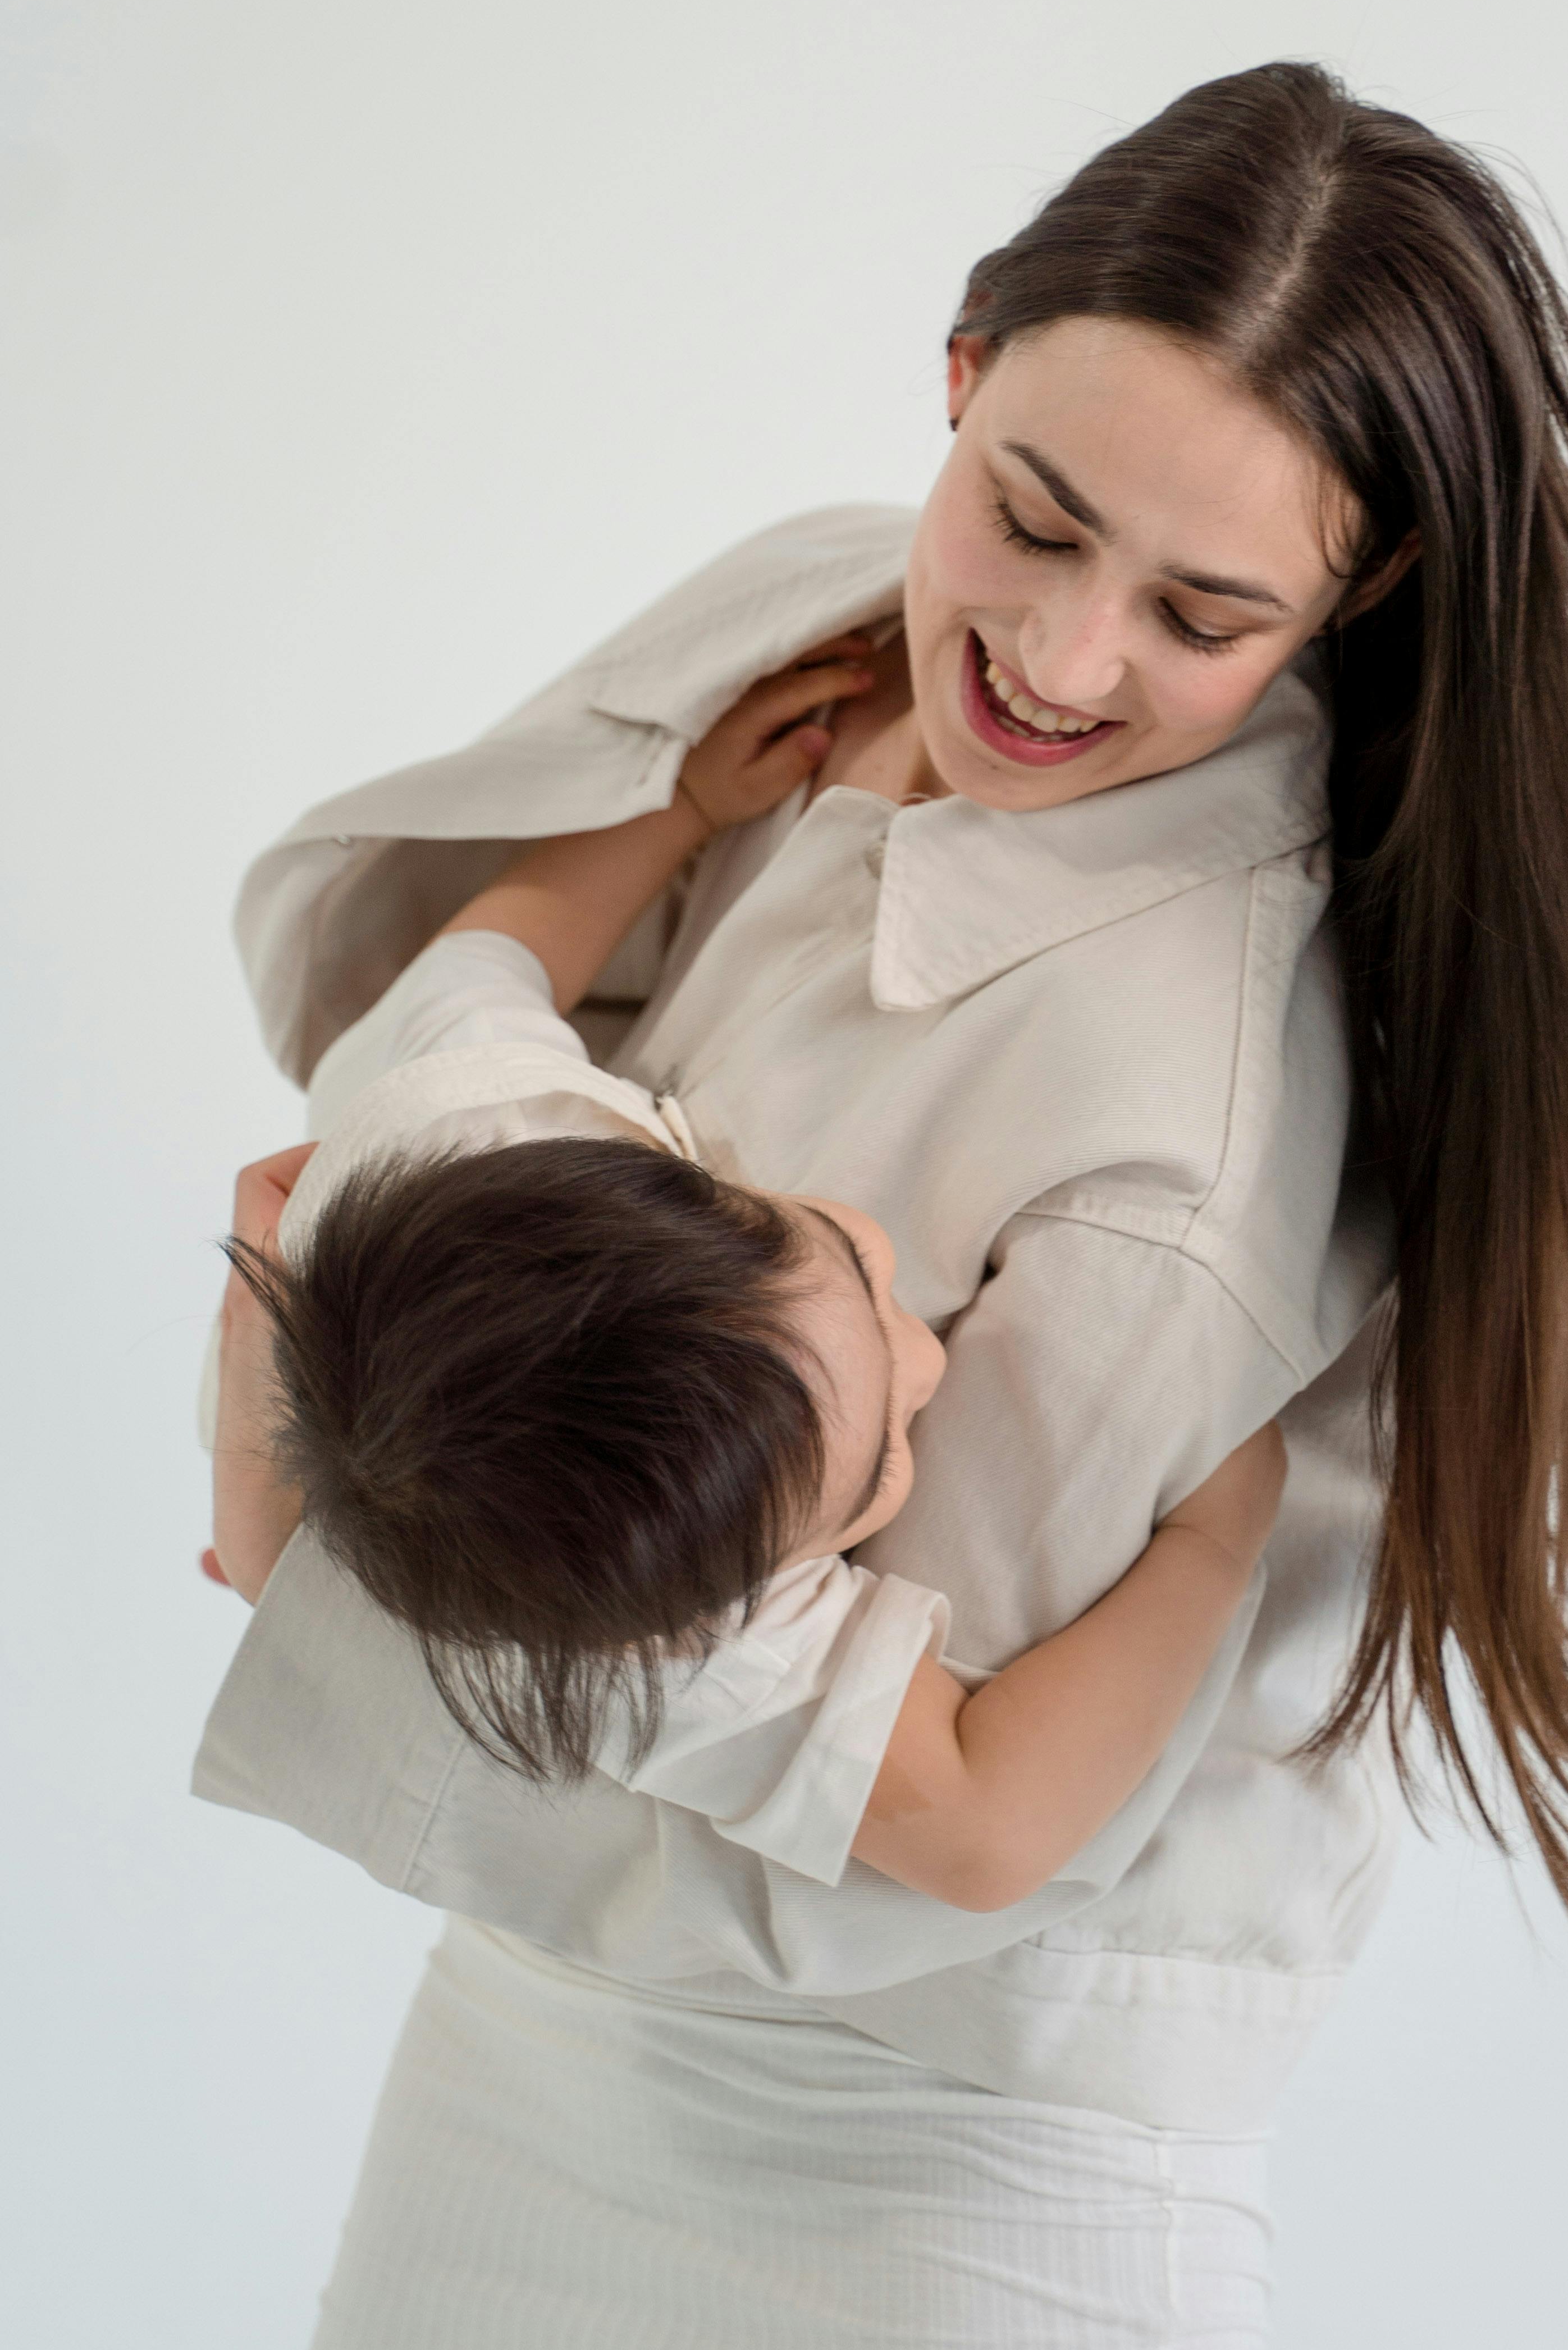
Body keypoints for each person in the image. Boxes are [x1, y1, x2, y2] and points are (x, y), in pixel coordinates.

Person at [198, 62, 1568, 2350]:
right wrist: (677, 808)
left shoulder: (1182, 1120)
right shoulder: (824, 627)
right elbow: (430, 1190)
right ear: (959, 369)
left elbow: (904, 1818)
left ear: (1355, 599)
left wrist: (309, 1525)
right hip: (533, 2046)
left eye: (1204, 614)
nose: (1054, 657)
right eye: (1031, 517)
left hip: (933, 2186)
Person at [208, 645, 1288, 1918]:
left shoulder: (469, 1108)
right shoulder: (682, 1632)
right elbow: (986, 1836)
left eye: (862, 1273)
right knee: (278, 1544)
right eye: (886, 1463)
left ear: (683, 1182)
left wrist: (683, 809)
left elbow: (488, 955)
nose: (930, 1360)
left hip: (361, 1228)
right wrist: (1219, 1536)